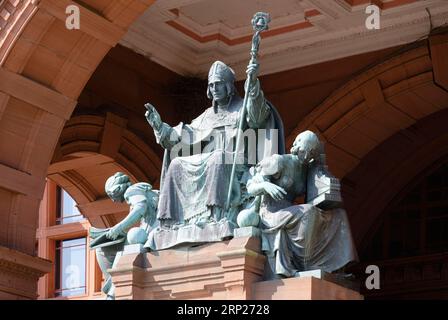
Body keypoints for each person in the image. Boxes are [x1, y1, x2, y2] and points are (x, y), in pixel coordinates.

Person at [144, 60, 284, 228]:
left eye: (218, 84)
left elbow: (257, 116)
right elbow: (182, 136)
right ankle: (169, 221)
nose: (214, 89)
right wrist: (159, 126)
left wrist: (252, 83)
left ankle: (215, 215)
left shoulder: (242, 107)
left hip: (238, 163)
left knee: (217, 156)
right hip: (212, 160)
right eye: (211, 85)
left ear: (229, 86)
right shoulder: (206, 116)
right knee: (176, 164)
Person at [246, 130, 358, 279]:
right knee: (307, 212)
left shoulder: (306, 169)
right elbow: (250, 187)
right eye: (306, 149)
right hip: (271, 213)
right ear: (297, 145)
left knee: (339, 215)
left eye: (312, 152)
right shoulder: (278, 162)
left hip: (290, 212)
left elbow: (318, 183)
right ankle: (305, 264)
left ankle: (336, 267)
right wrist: (266, 186)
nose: (308, 155)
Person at [89, 172, 158, 299]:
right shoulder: (136, 192)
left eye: (112, 195)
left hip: (155, 230)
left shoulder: (132, 191)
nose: (114, 200)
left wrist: (118, 228)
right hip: (149, 229)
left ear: (119, 189)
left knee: (122, 249)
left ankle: (113, 293)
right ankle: (114, 289)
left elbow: (140, 208)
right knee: (107, 249)